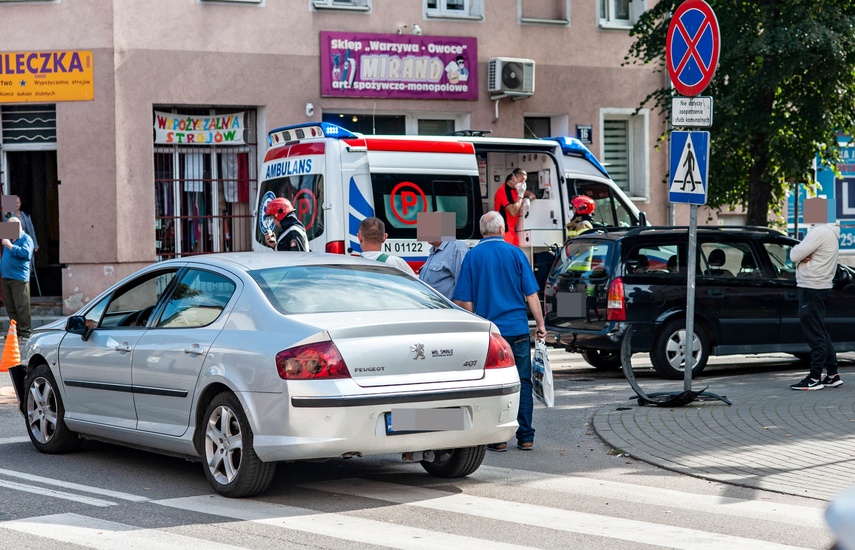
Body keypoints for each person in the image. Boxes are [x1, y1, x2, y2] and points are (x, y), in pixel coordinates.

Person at [453, 211, 546, 451]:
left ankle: (499, 438)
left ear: (482, 232)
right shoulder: (516, 253)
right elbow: (531, 295)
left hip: (490, 334)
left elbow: (464, 301)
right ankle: (526, 437)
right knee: (523, 382)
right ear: (502, 229)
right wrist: (541, 325)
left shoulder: (472, 257)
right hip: (517, 329)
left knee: (495, 385)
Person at [789, 222, 841, 390]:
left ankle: (814, 378)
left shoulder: (818, 232)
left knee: (814, 333)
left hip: (811, 287)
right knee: (820, 330)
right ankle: (832, 375)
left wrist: (800, 255)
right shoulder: (831, 232)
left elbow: (794, 254)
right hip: (822, 287)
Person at [1, 217, 34, 341]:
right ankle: (15, 332)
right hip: (6, 277)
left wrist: (10, 246)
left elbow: (26, 254)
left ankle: (25, 332)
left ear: (18, 226)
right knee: (10, 307)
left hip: (19, 278)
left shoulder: (26, 239)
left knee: (21, 306)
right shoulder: (8, 238)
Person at [494, 168, 536, 247]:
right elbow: (513, 212)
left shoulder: (517, 190)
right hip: (504, 231)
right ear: (513, 178)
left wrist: (528, 199)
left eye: (525, 181)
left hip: (512, 231)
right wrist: (520, 196)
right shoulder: (502, 191)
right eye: (522, 180)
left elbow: (533, 195)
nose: (523, 183)